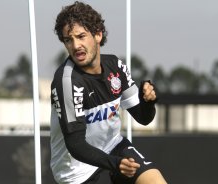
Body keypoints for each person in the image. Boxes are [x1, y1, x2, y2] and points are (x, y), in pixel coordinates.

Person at [50, 1, 167, 184]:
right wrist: (116, 164)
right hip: (76, 171)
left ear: (98, 34)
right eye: (68, 40)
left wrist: (148, 101)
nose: (75, 45)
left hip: (114, 147)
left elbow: (143, 118)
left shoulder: (115, 66)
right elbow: (76, 145)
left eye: (81, 36)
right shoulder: (67, 81)